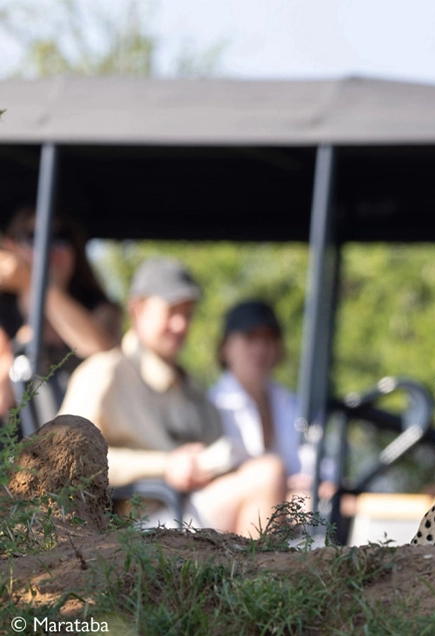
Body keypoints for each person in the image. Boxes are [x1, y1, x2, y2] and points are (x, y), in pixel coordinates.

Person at [59, 258, 286, 536]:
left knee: (269, 478)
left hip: (189, 509)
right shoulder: (104, 373)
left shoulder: (192, 387)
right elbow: (65, 461)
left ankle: (250, 575)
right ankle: (258, 577)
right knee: (268, 474)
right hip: (137, 529)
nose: (181, 325)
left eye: (188, 314)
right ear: (137, 309)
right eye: (171, 312)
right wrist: (166, 466)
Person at [208, 299, 333, 504]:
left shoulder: (295, 405)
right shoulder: (211, 405)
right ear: (225, 348)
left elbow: (323, 469)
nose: (260, 350)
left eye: (268, 340)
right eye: (250, 338)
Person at [0, 208, 122, 413]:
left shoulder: (100, 308)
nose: (50, 247)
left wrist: (39, 285)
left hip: (87, 433)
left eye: (62, 237)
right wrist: (20, 343)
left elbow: (103, 353)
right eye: (34, 237)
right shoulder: (4, 313)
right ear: (11, 247)